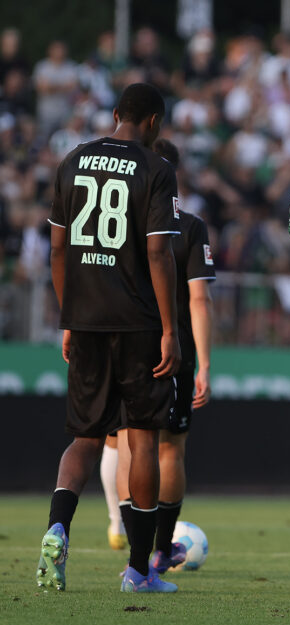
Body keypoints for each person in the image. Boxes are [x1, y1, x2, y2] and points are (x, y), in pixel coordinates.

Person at [39, 82, 182, 593]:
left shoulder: (72, 160)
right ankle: (138, 571)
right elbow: (159, 254)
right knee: (141, 437)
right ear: (153, 124)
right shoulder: (156, 169)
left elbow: (57, 249)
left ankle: (58, 526)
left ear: (117, 113)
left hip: (87, 319)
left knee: (84, 437)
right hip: (138, 321)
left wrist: (69, 316)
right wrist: (170, 329)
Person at [105, 139, 216, 574]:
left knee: (126, 444)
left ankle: (130, 541)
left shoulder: (117, 224)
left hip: (119, 341)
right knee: (168, 449)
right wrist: (204, 362)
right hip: (171, 348)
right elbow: (199, 300)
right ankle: (160, 548)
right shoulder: (187, 226)